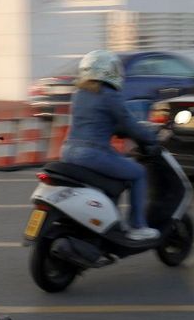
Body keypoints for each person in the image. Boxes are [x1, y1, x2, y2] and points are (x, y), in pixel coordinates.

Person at [61, 49, 162, 244]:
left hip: (68, 152)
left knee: (112, 178)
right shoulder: (109, 95)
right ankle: (137, 226)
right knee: (138, 173)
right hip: (92, 153)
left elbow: (95, 119)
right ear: (107, 70)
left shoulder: (79, 94)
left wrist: (115, 129)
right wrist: (151, 138)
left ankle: (108, 223)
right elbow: (129, 124)